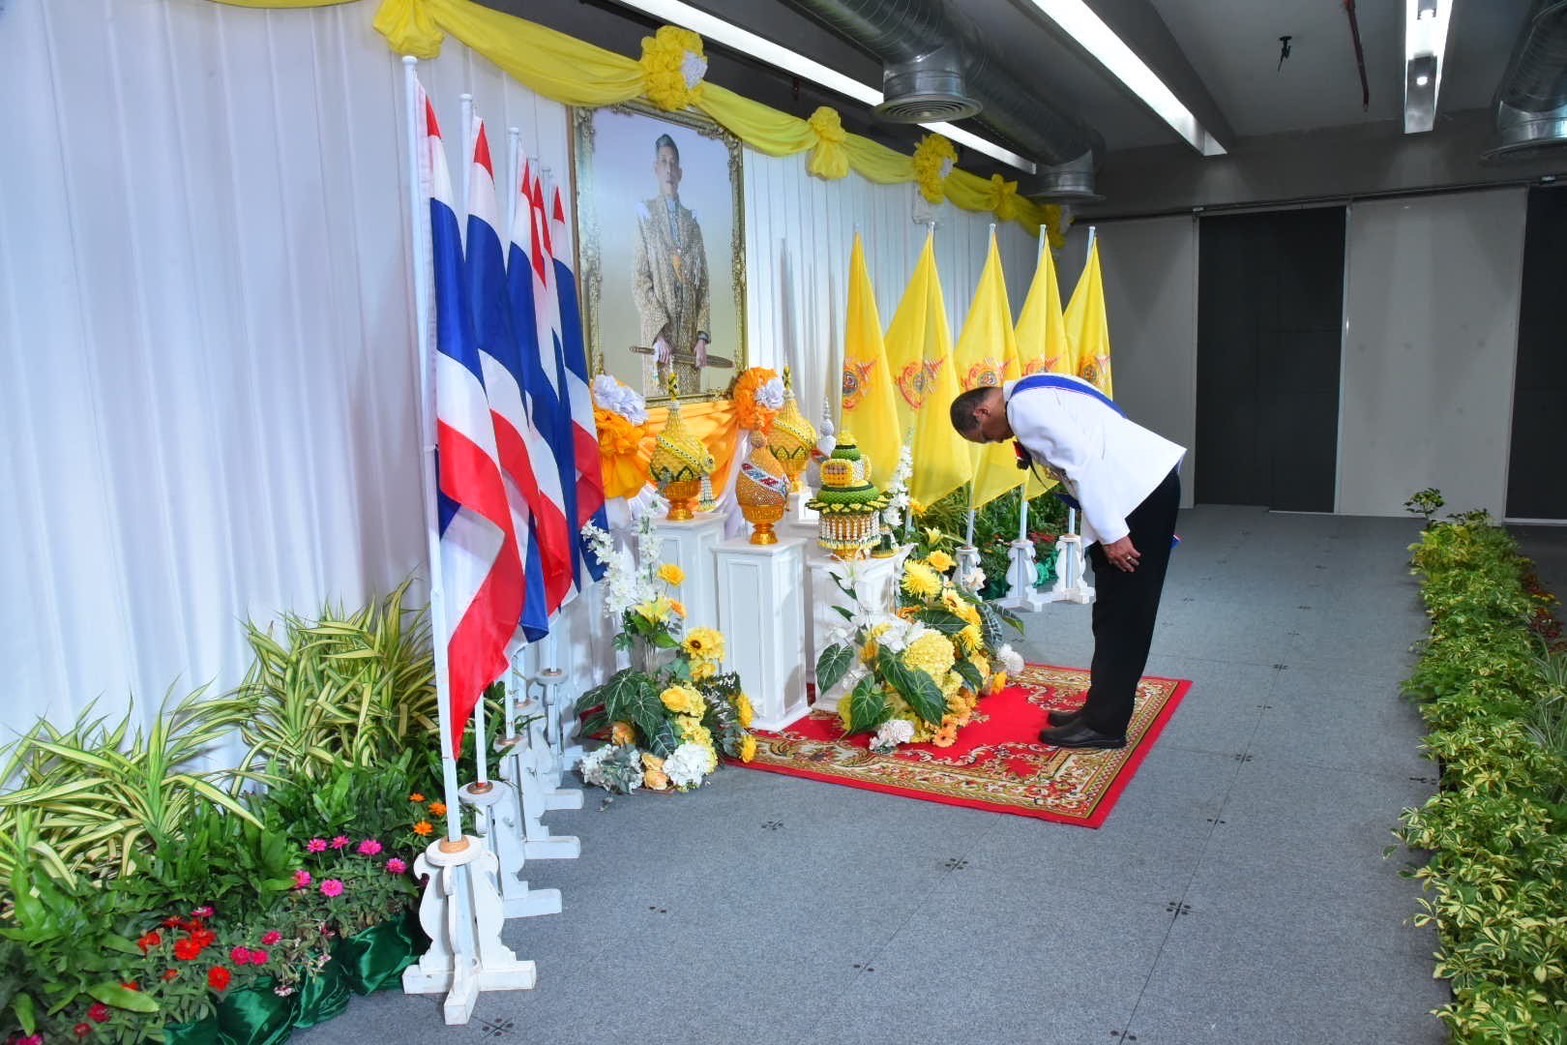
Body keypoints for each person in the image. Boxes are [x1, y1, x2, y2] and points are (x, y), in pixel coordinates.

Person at [950, 374, 1185, 749]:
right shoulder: (1036, 386)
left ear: (983, 410)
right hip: (1138, 488)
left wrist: (1113, 535)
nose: (998, 440)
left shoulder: (1023, 407)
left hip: (1133, 497)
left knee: (1124, 614)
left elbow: (1082, 462)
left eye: (987, 435)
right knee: (1112, 612)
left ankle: (1106, 725)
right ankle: (1098, 710)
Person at [633, 133, 711, 395]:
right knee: (662, 422)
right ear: (656, 169)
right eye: (663, 162)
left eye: (673, 163)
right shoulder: (646, 216)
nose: (669, 169)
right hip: (661, 348)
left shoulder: (692, 222)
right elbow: (640, 280)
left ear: (680, 171)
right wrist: (658, 335)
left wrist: (701, 339)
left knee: (689, 423)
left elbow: (703, 287)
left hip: (688, 349)